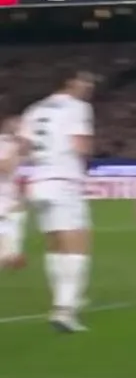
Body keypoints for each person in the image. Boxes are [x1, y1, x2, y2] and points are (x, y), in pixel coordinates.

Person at [20, 70, 97, 332]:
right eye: (85, 80)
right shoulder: (78, 107)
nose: (89, 85)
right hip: (64, 180)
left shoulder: (34, 109)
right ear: (69, 82)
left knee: (55, 245)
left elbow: (23, 147)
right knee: (77, 246)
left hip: (39, 180)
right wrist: (87, 160)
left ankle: (63, 299)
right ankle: (65, 309)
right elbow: (80, 145)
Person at [0, 116, 26, 269]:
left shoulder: (12, 145)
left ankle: (9, 256)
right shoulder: (5, 144)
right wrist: (15, 154)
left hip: (9, 198)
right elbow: (5, 167)